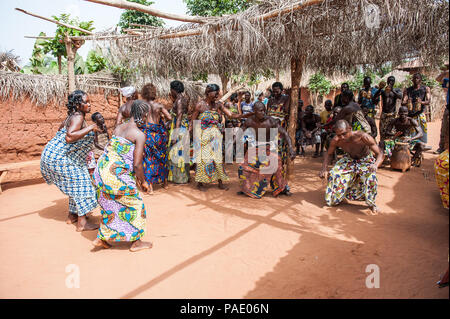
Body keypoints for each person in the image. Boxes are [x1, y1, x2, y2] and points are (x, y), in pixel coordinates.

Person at [92, 100, 152, 252]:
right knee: (136, 205)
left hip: (101, 170)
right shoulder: (139, 134)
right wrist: (143, 182)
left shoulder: (119, 127)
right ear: (144, 115)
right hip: (115, 174)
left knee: (110, 205)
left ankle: (102, 238)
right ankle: (136, 242)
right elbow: (137, 165)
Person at [40, 90, 102, 231]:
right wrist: (91, 127)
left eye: (89, 101)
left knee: (76, 184)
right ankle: (82, 223)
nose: (89, 104)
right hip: (59, 158)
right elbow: (69, 137)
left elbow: (61, 131)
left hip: (52, 155)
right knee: (84, 184)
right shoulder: (78, 117)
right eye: (85, 102)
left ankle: (72, 216)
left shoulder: (71, 117)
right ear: (77, 105)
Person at [191, 84, 249, 191]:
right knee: (203, 160)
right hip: (203, 138)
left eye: (218, 92)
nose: (217, 95)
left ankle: (220, 182)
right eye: (215, 92)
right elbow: (193, 122)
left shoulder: (218, 105)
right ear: (208, 93)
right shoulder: (200, 105)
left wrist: (246, 115)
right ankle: (200, 183)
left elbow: (231, 114)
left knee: (218, 160)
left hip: (216, 138)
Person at [319, 120, 384, 215]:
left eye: (344, 134)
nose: (342, 137)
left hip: (365, 160)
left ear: (350, 129)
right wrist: (324, 169)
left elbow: (380, 153)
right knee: (334, 173)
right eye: (339, 135)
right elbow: (328, 154)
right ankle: (338, 197)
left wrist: (375, 165)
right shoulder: (336, 140)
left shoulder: (363, 137)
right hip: (349, 159)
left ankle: (371, 203)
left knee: (371, 177)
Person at [237, 102, 296, 198]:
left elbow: (284, 133)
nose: (263, 112)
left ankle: (282, 188)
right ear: (255, 111)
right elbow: (241, 131)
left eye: (264, 110)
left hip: (268, 147)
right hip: (255, 147)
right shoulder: (249, 121)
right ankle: (246, 188)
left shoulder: (271, 121)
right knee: (242, 166)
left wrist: (291, 148)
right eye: (261, 111)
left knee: (277, 163)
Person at [140, 83, 173, 193]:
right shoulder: (159, 106)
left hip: (147, 135)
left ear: (144, 93)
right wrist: (162, 122)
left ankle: (150, 186)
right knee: (161, 158)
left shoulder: (141, 106)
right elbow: (169, 117)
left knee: (148, 159)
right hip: (158, 135)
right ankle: (165, 183)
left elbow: (138, 120)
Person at [167, 80, 190, 184]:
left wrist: (175, 134)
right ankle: (183, 176)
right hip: (182, 127)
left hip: (179, 128)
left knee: (177, 151)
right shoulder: (182, 99)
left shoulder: (180, 100)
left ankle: (180, 178)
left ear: (173, 90)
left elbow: (179, 117)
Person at [267, 82, 290, 175]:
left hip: (281, 129)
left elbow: (286, 112)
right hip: (270, 129)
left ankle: (279, 175)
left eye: (277, 91)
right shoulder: (270, 101)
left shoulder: (286, 98)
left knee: (279, 151)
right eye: (274, 91)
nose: (275, 93)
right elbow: (266, 115)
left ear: (282, 90)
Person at [402, 73, 431, 144]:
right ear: (412, 80)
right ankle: (412, 145)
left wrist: (421, 102)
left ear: (420, 80)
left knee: (422, 132)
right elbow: (402, 103)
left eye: (417, 78)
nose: (415, 80)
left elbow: (428, 101)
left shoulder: (425, 89)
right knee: (411, 133)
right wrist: (408, 102)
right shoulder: (407, 90)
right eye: (414, 78)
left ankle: (421, 146)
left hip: (420, 114)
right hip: (411, 115)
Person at [379, 76, 403, 141]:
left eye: (392, 81)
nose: (390, 82)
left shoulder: (397, 90)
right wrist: (379, 89)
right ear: (387, 81)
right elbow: (375, 97)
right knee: (382, 130)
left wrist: (392, 90)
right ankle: (382, 145)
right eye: (389, 81)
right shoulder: (384, 91)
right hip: (384, 113)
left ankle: (391, 145)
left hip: (392, 114)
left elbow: (400, 97)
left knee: (391, 130)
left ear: (394, 82)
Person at [435, 77, 449, 154]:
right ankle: (441, 147)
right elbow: (438, 79)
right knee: (444, 128)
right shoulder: (447, 80)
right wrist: (445, 73)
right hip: (448, 107)